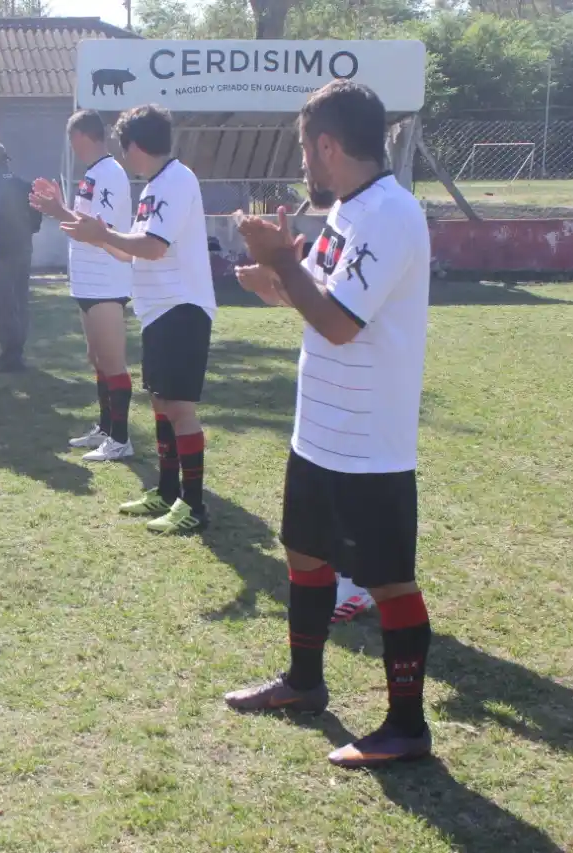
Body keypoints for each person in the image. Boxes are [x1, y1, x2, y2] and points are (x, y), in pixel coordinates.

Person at [225, 81, 434, 769]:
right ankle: (304, 682)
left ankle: (406, 726)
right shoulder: (346, 211)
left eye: (304, 148)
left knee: (388, 580)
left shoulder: (392, 215)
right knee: (305, 553)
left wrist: (284, 261)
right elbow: (318, 296)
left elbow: (341, 324)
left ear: (327, 144)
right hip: (318, 430)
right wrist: (273, 276)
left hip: (369, 441)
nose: (303, 166)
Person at [61, 105, 215, 534]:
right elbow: (131, 249)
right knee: (162, 403)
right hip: (157, 311)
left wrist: (103, 234)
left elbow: (152, 247)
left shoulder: (177, 181)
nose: (124, 157)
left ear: (136, 146)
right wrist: (95, 235)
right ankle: (166, 492)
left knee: (180, 409)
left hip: (181, 308)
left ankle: (194, 505)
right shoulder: (154, 187)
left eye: (125, 148)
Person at [30, 110, 136, 463]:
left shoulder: (109, 173)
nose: (71, 146)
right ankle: (106, 429)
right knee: (97, 358)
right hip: (88, 282)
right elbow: (81, 223)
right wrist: (59, 207)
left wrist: (57, 210)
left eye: (72, 137)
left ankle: (121, 439)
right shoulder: (93, 174)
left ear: (82, 136)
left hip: (107, 281)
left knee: (113, 360)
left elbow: (96, 228)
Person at [0, 141, 41, 374]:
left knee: (2, 304)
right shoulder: (24, 185)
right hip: (23, 248)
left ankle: (10, 354)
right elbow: (36, 219)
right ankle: (17, 350)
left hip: (1, 250)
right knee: (20, 300)